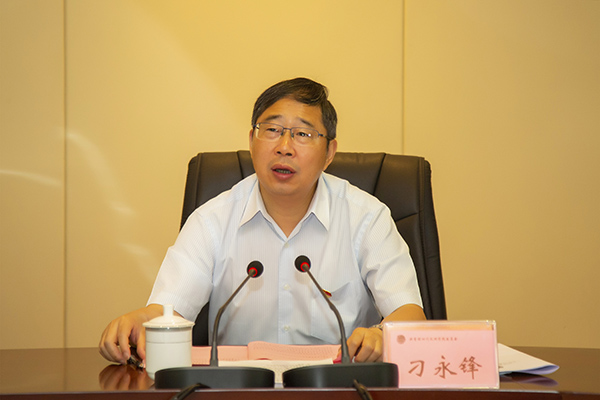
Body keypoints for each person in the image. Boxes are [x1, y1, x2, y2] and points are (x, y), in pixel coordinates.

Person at [99, 77, 426, 366]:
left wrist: (380, 334)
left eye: (302, 134)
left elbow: (409, 315)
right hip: (238, 391)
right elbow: (167, 312)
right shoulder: (212, 220)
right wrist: (140, 320)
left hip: (337, 389)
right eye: (271, 130)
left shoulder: (366, 218)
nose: (284, 147)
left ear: (329, 153)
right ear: (251, 140)